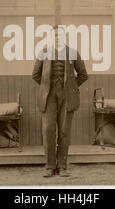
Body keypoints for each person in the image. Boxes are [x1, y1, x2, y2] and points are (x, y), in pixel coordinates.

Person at [32, 26, 88, 177]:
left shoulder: (73, 52)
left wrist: (71, 86)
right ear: (51, 37)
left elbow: (83, 74)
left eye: (60, 35)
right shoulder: (44, 52)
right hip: (49, 96)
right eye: (55, 35)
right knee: (49, 129)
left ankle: (62, 166)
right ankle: (50, 166)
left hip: (67, 96)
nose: (58, 38)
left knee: (64, 131)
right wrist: (46, 86)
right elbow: (35, 74)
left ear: (65, 37)